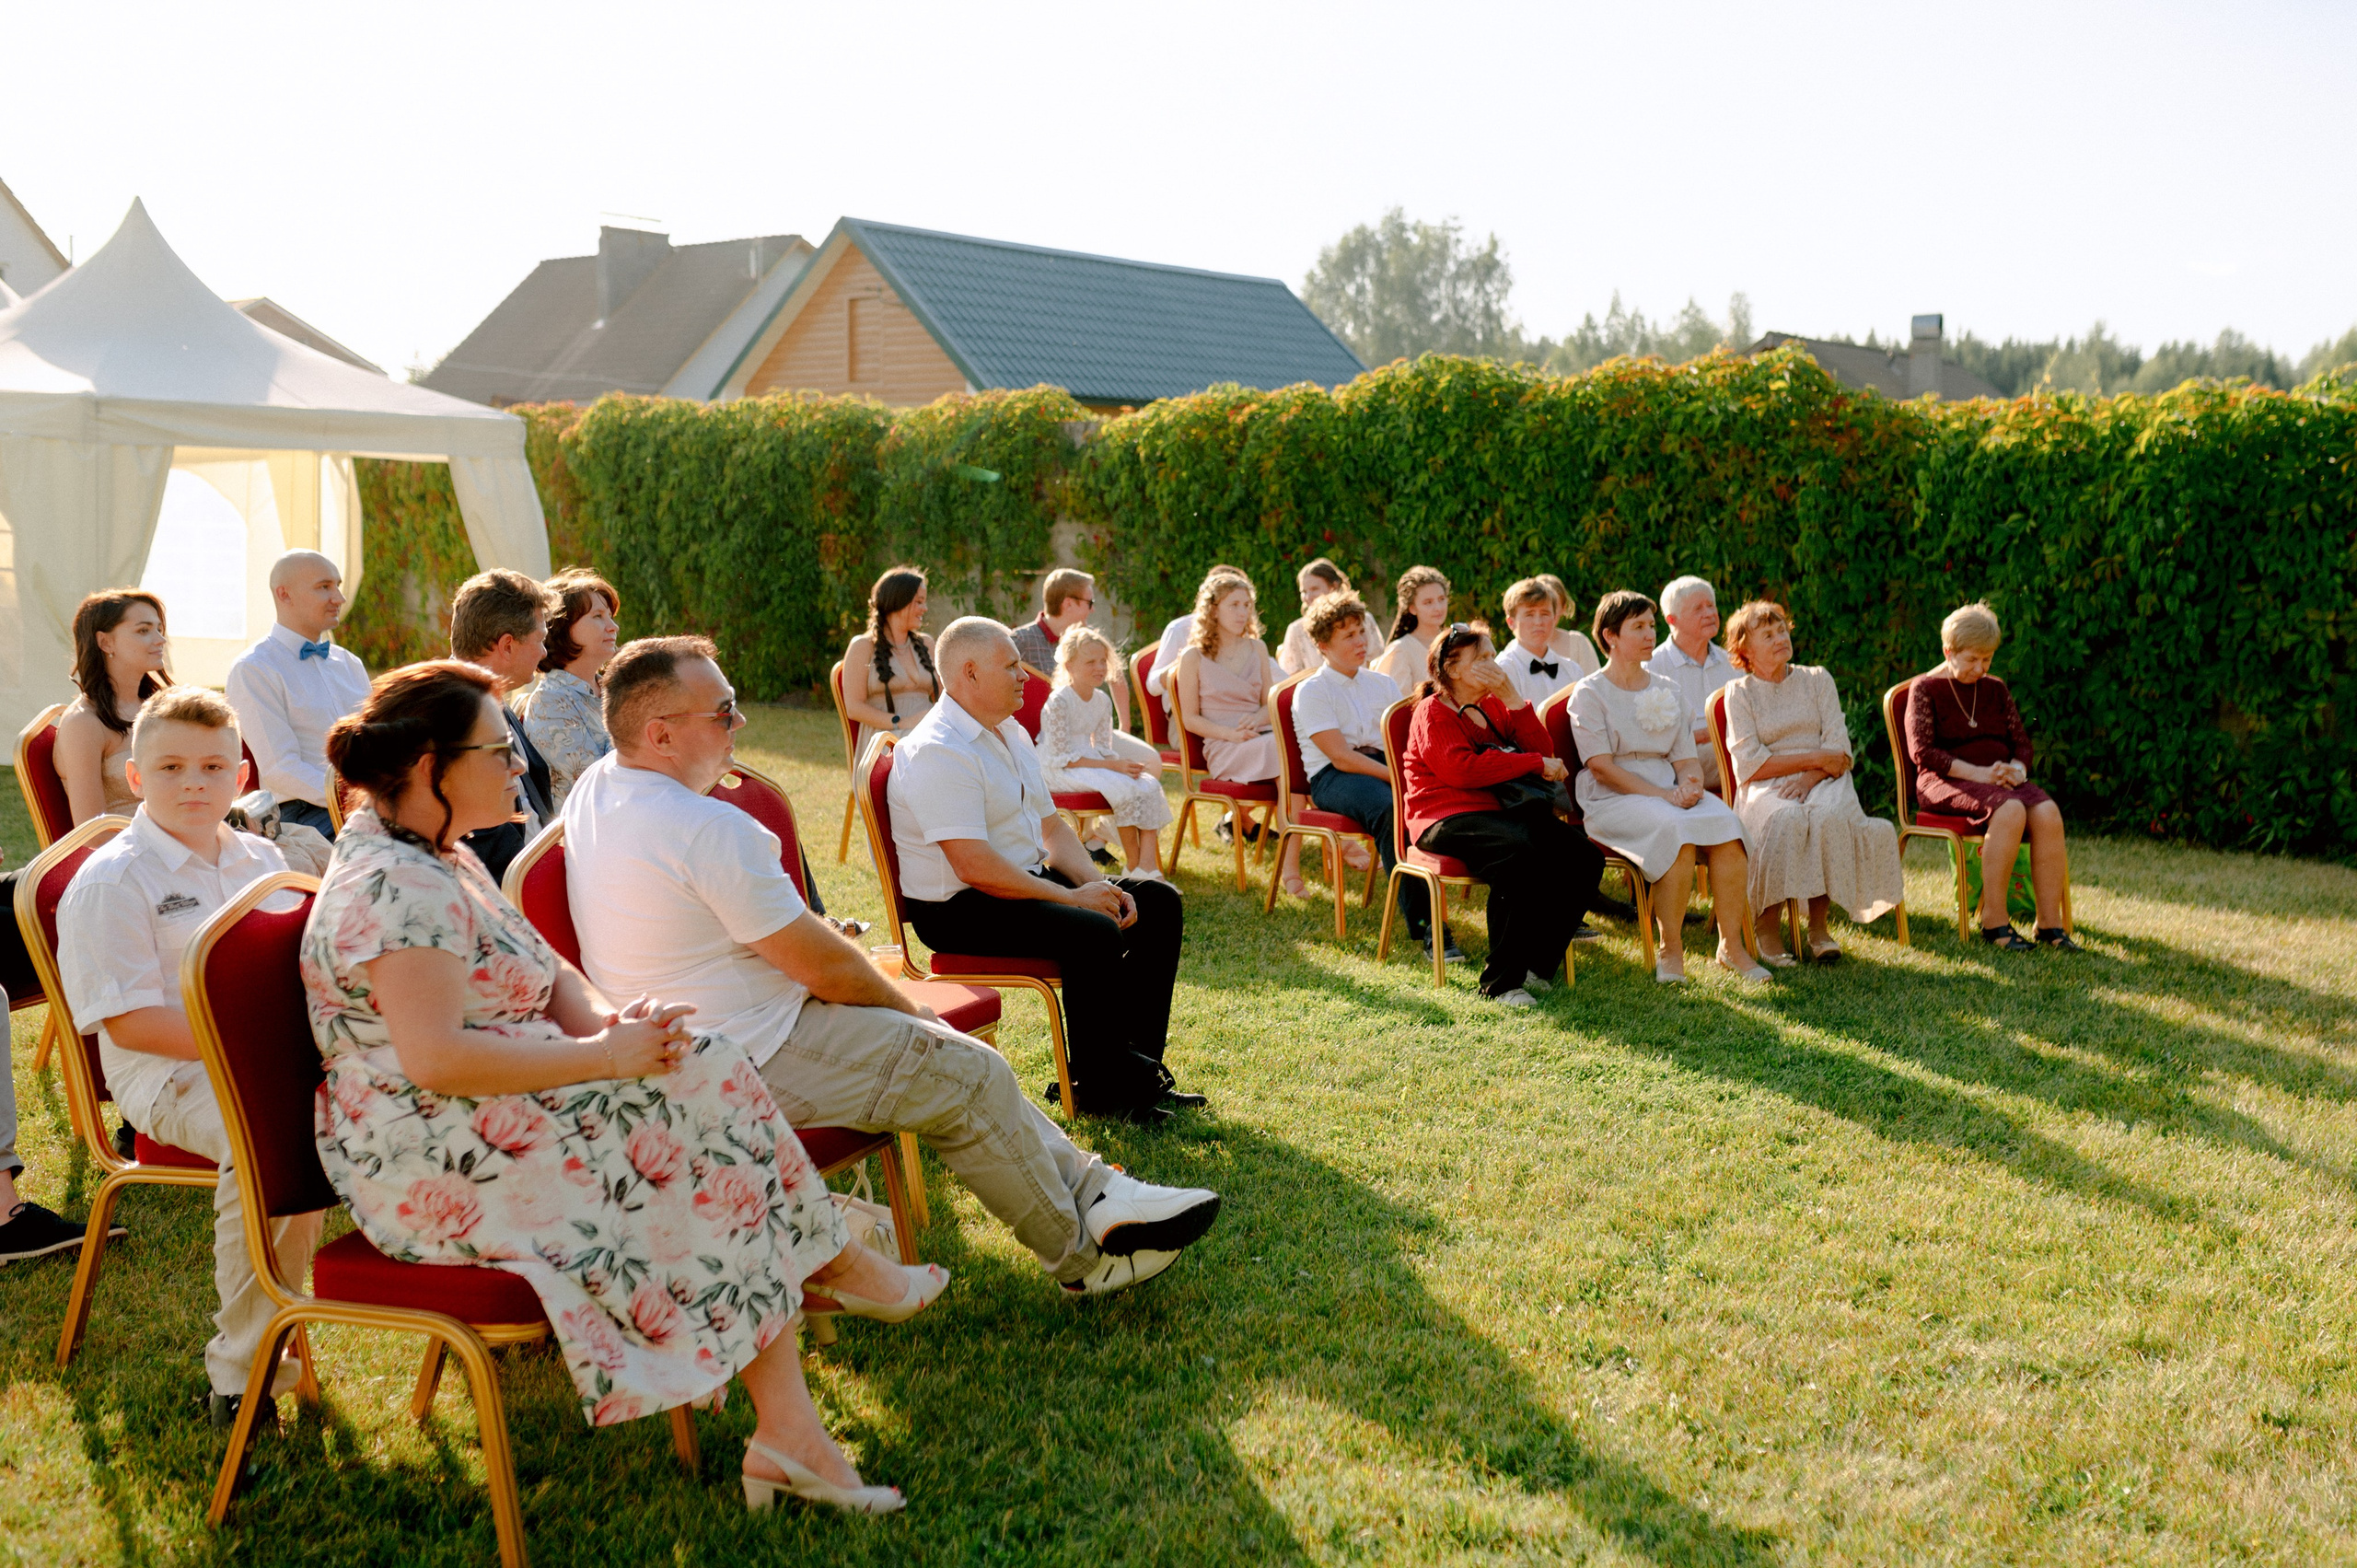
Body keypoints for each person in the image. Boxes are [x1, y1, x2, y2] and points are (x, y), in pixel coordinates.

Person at [306, 660, 920, 1515]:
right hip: (428, 1152)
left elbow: (550, 970)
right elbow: (438, 1059)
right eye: (498, 751)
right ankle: (826, 1276)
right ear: (425, 767)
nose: (518, 765)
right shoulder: (390, 884)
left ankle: (795, 1410)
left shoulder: (439, 853)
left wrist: (608, 1021)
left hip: (487, 1110)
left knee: (695, 1066)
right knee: (692, 1124)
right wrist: (605, 1059)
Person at [565, 633, 1219, 1300]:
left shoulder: (597, 787)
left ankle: (1100, 1189)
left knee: (967, 1062)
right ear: (660, 734)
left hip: (697, 1036)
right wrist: (909, 1009)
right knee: (966, 1072)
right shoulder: (707, 827)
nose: (741, 721)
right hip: (743, 1050)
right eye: (723, 710)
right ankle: (1085, 1257)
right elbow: (826, 971)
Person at [57, 687, 323, 1425]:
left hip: (267, 1056)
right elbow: (134, 1024)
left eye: (213, 766)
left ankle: (425, 1282)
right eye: (171, 767)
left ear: (241, 776)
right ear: (136, 778)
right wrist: (261, 1052)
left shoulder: (263, 857)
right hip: (165, 1072)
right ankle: (242, 1375)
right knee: (266, 1137)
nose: (194, 783)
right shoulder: (113, 880)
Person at [890, 618, 1204, 1125]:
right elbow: (973, 866)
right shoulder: (938, 749)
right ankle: (1102, 1092)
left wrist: (1092, 882)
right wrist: (1070, 900)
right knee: (1092, 930)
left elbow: (1052, 827)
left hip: (1016, 881)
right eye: (1010, 666)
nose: (1025, 677)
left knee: (1156, 903)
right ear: (969, 674)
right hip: (959, 907)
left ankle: (1134, 1075)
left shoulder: (1008, 729)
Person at [1400, 623, 1604, 1005]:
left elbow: (1545, 750)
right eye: (1483, 658)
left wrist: (1513, 698)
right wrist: (1529, 762)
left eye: (1494, 655)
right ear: (1453, 668)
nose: (1494, 664)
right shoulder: (1433, 712)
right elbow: (1461, 770)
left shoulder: (1495, 703)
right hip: (1444, 816)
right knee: (1519, 851)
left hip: (1502, 811)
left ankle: (1536, 965)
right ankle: (1500, 983)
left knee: (1584, 857)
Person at [1573, 591, 1769, 985]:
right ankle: (1671, 949)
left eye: (1652, 625)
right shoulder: (1590, 692)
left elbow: (1684, 759)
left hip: (1670, 789)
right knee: (1675, 833)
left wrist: (1692, 785)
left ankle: (1731, 946)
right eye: (1639, 627)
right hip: (1613, 797)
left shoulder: (1667, 688)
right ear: (1610, 636)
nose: (1650, 635)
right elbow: (1602, 768)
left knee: (1728, 827)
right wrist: (1665, 797)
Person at [1720, 601, 1904, 963]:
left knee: (1828, 817)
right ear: (1745, 649)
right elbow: (1750, 764)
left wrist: (1810, 776)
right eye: (1767, 634)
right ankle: (1766, 926)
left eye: (1782, 631)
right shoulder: (1739, 692)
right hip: (1767, 784)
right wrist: (1814, 759)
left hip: (1826, 779)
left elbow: (1839, 750)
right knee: (1785, 819)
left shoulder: (1818, 679)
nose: (1780, 639)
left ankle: (1819, 929)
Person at [1906, 602, 2077, 951]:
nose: (1980, 668)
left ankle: (2048, 925)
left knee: (2047, 813)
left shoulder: (1995, 688)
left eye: (1987, 659)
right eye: (1971, 659)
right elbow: (1923, 753)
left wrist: (2016, 771)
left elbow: (2021, 744)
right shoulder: (1924, 689)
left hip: (1998, 783)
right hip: (1944, 780)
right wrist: (1982, 774)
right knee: (2011, 810)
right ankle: (1994, 922)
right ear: (1948, 651)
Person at [1290, 590, 1446, 955]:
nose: (1361, 641)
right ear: (1322, 645)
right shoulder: (1311, 690)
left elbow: (1401, 742)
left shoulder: (1382, 684)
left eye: (1361, 631)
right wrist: (1395, 778)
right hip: (1334, 777)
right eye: (1349, 636)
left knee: (1434, 797)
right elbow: (1342, 757)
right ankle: (1427, 925)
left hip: (1380, 763)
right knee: (1391, 808)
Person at [224, 552, 372, 838]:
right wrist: (357, 797)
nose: (339, 598)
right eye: (324, 587)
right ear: (284, 594)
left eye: (337, 586)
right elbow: (281, 770)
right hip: (300, 815)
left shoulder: (350, 664)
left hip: (363, 804)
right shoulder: (254, 669)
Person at [1171, 570, 1301, 887]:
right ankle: (1291, 871)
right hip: (1222, 744)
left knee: (1292, 752)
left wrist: (1257, 720)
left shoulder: (1257, 648)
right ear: (1213, 609)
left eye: (1247, 605)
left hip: (1257, 734)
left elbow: (1267, 704)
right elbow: (1189, 718)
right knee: (1286, 754)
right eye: (1234, 605)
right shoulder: (1192, 656)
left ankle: (1291, 863)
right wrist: (1231, 734)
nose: (1243, 613)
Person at [448, 570, 556, 887]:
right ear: (507, 645)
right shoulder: (453, 712)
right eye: (540, 640)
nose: (544, 653)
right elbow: (477, 837)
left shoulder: (487, 697)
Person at [1036, 627, 1169, 880]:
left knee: (1147, 783)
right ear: (1069, 664)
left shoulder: (1102, 700)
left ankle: (1147, 867)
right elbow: (1062, 756)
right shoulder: (1060, 702)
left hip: (1090, 762)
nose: (1099, 667)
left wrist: (1121, 764)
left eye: (1102, 661)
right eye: (1090, 662)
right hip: (1059, 767)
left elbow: (1104, 748)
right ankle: (1134, 866)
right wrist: (1113, 768)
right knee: (1121, 789)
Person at [514, 567, 620, 809]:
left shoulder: (615, 689)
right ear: (562, 626)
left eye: (610, 616)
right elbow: (599, 786)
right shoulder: (548, 703)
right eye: (598, 616)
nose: (613, 626)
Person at [1647, 575, 1737, 794]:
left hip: (1731, 747)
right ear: (1672, 620)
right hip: (1684, 761)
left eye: (1711, 606)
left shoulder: (1733, 662)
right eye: (1698, 609)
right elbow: (1650, 740)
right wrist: (1707, 735)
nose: (1709, 613)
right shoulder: (1652, 667)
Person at [841, 565, 942, 755]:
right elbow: (854, 708)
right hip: (885, 740)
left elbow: (944, 697)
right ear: (898, 602)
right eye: (919, 602)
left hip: (930, 732)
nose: (925, 608)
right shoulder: (863, 647)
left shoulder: (927, 644)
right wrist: (901, 722)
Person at [1142, 563, 1246, 700]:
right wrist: (1183, 665)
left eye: (1244, 604)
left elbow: (1275, 680)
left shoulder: (1242, 630)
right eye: (1233, 604)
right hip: (1182, 714)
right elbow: (1153, 685)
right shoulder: (1179, 629)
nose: (1241, 612)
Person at [1499, 577, 1593, 710]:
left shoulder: (1573, 671)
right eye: (1529, 615)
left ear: (1555, 618)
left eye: (1545, 614)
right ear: (1511, 622)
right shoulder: (1504, 671)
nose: (1538, 622)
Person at [1277, 558, 1379, 677]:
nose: (1308, 597)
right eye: (1304, 592)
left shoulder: (1364, 620)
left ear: (1334, 587)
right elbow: (1290, 677)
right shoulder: (1296, 630)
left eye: (1314, 589)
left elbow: (1377, 664)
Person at [1373, 564, 1452, 690]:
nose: (1438, 607)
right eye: (1428, 602)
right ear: (1413, 608)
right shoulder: (1401, 650)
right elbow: (1396, 703)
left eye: (1441, 599)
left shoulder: (1455, 641)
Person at [1535, 574, 1602, 679]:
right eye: (1542, 607)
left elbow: (1596, 685)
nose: (1548, 614)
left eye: (1554, 606)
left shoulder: (1578, 643)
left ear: (1563, 608)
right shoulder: (1518, 646)